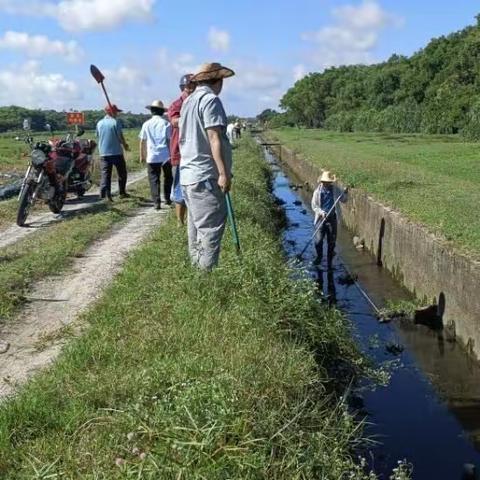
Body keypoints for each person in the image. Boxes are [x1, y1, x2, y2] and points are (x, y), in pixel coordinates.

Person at [179, 62, 235, 270]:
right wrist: (223, 173)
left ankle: (197, 275)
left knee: (195, 232)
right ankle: (206, 281)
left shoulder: (189, 100)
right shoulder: (211, 100)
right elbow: (214, 137)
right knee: (210, 232)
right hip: (205, 177)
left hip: (189, 176)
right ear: (217, 81)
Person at [168, 74, 196, 224]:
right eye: (189, 87)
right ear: (182, 88)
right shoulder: (176, 105)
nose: (191, 89)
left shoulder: (198, 103)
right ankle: (180, 221)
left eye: (194, 86)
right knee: (180, 187)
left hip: (195, 153)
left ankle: (192, 219)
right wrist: (192, 116)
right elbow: (174, 121)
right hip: (180, 153)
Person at [139, 100, 172, 210]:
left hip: (152, 155)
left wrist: (142, 155)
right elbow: (169, 140)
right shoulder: (166, 124)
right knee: (168, 178)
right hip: (165, 155)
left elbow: (142, 141)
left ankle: (156, 202)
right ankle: (167, 198)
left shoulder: (146, 124)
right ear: (162, 112)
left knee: (154, 179)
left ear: (152, 111)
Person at [96, 104, 130, 201]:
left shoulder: (99, 123)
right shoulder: (116, 122)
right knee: (122, 173)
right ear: (112, 112)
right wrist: (125, 145)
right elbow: (120, 137)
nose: (117, 114)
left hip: (103, 153)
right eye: (116, 112)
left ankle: (105, 195)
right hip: (116, 152)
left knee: (105, 175)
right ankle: (122, 192)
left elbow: (98, 136)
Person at [311, 171, 338, 268]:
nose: (326, 184)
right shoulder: (317, 192)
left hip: (332, 219)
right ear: (321, 181)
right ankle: (319, 257)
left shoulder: (335, 190)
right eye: (324, 182)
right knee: (318, 241)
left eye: (328, 182)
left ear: (330, 182)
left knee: (332, 241)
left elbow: (343, 199)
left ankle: (330, 261)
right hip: (320, 219)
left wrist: (345, 193)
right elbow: (314, 206)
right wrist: (322, 213)